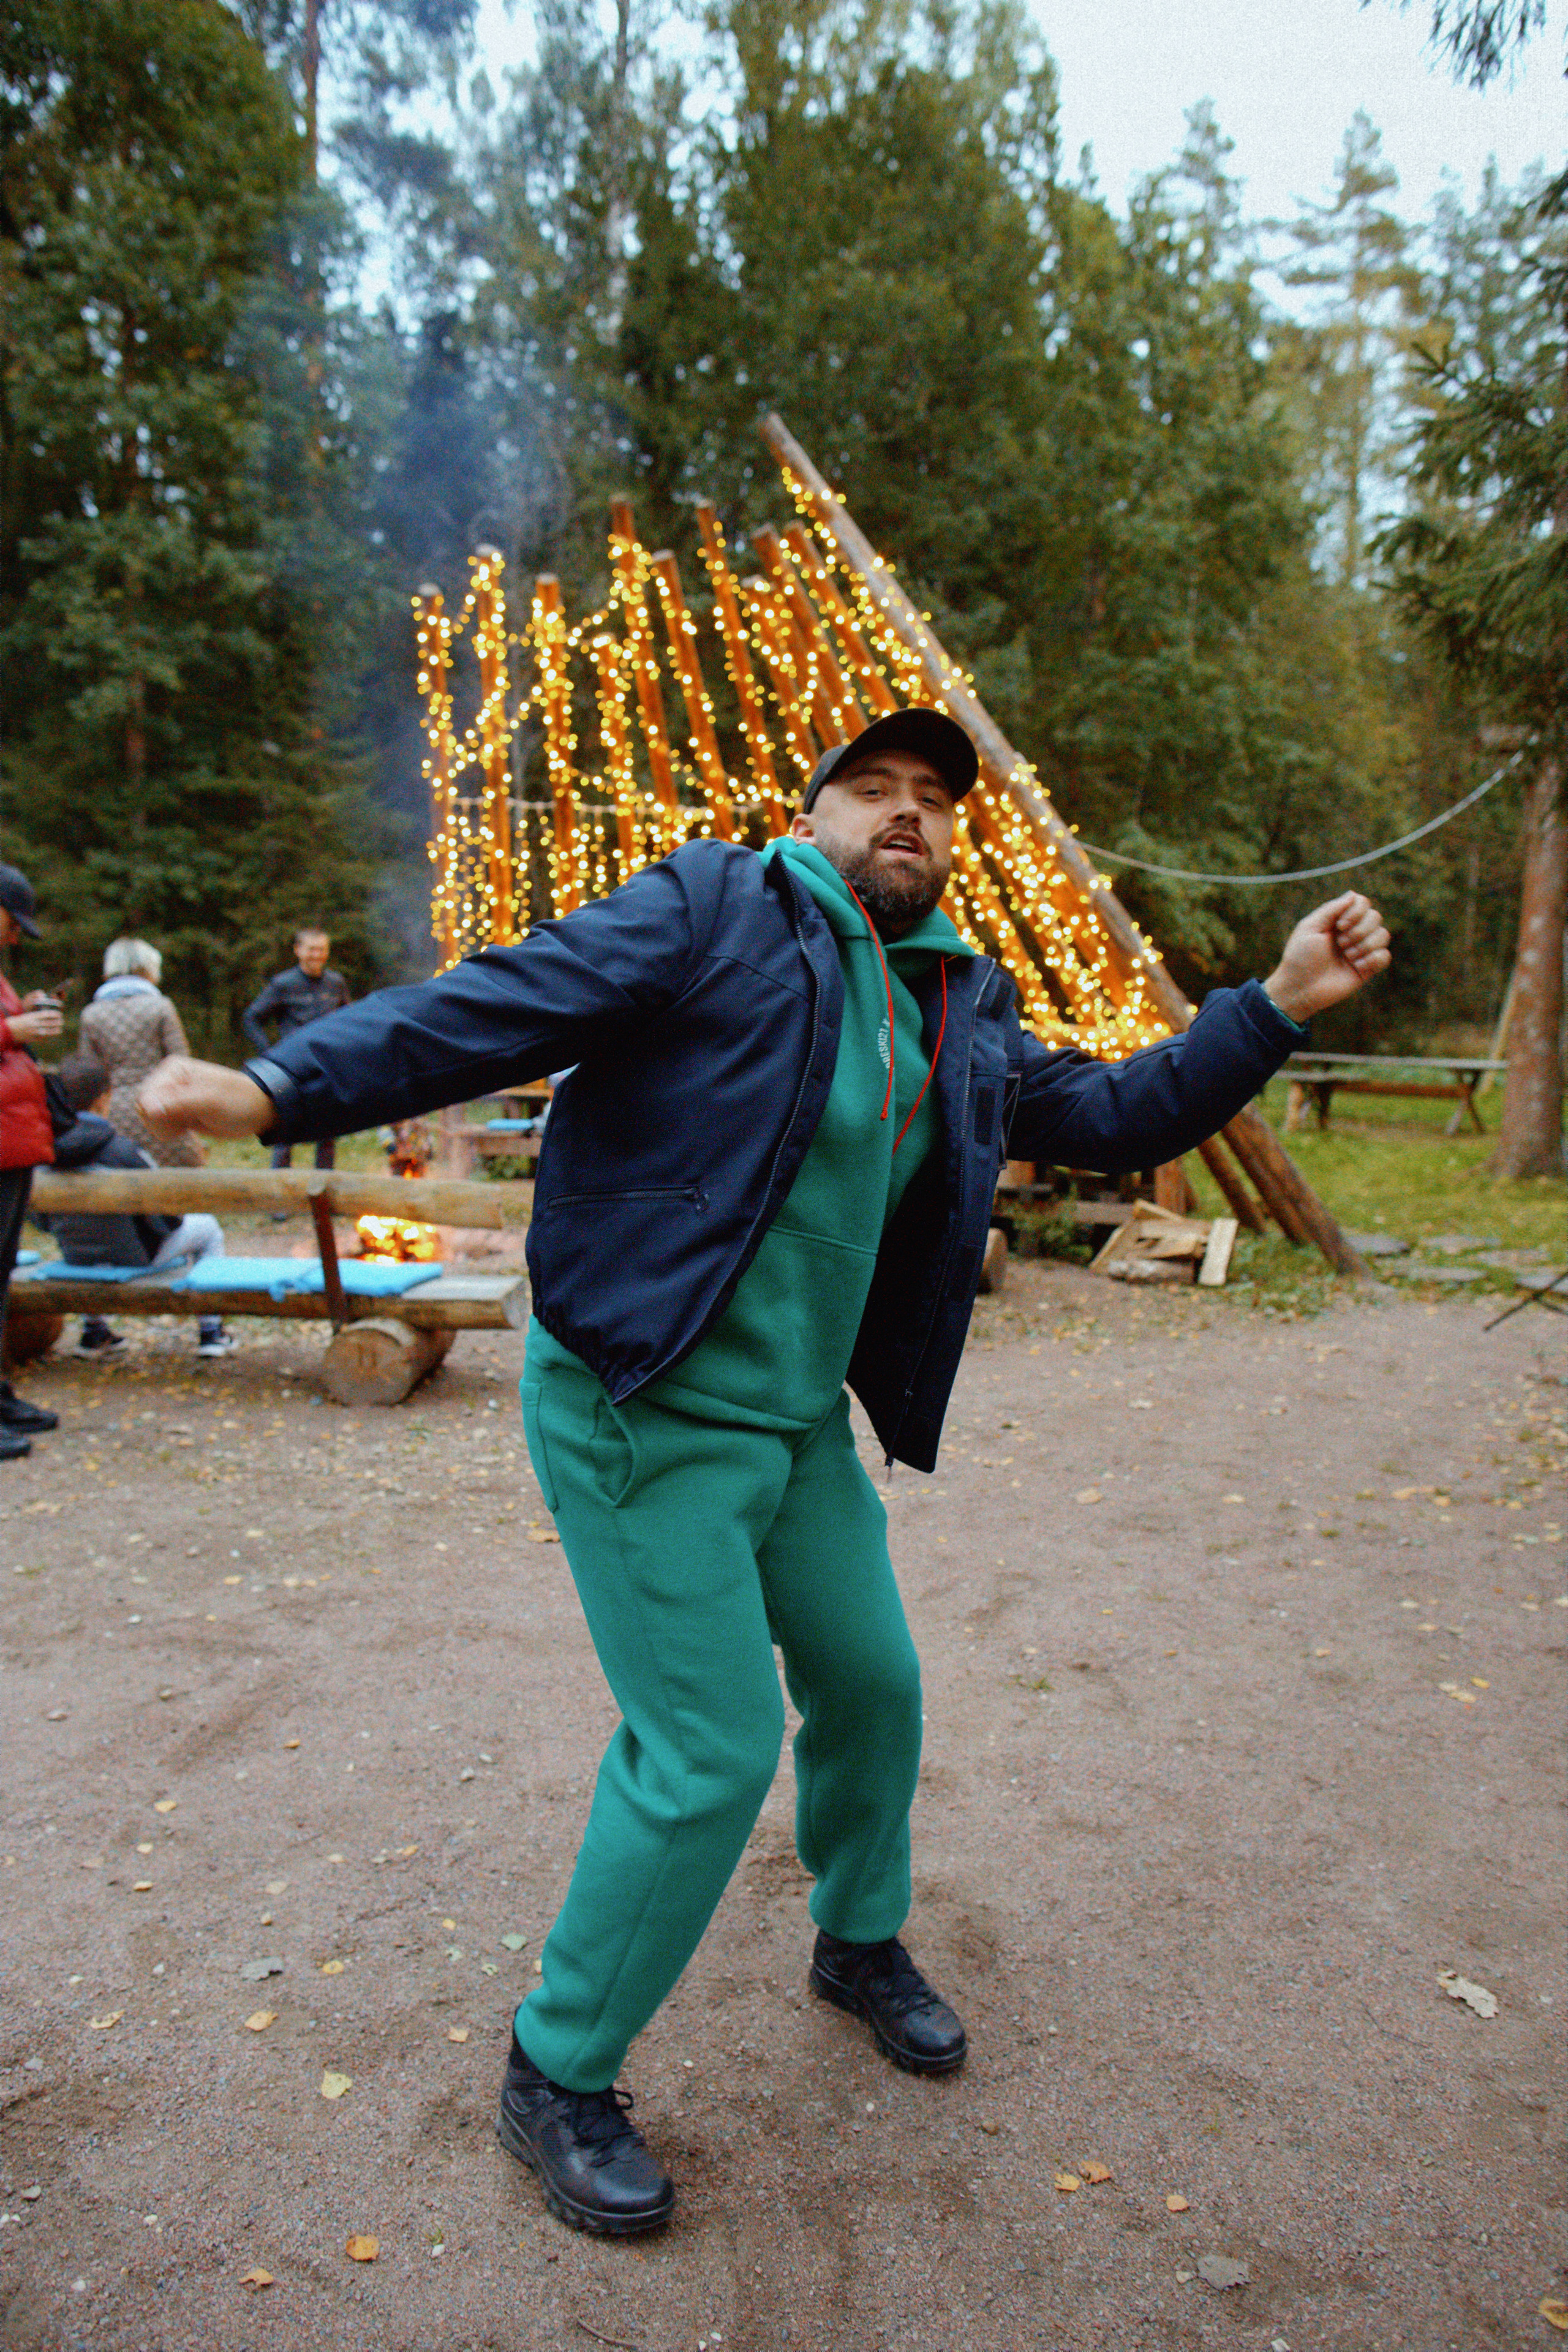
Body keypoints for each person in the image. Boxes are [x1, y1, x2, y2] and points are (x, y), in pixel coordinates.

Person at [141, 706, 1392, 2240]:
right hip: (641, 1401)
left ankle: (853, 1938)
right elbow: (501, 1003)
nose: (905, 811)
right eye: (870, 787)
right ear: (809, 819)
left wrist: (1276, 1000)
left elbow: (1116, 1110)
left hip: (793, 1425)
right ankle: (555, 2067)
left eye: (933, 797)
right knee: (709, 1749)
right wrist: (280, 1090)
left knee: (872, 1684)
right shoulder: (714, 909)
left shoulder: (957, 1003)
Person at [42, 1052, 235, 1360]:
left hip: (77, 1255)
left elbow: (40, 1220)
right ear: (104, 1099)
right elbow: (165, 1214)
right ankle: (212, 1332)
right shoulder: (122, 1152)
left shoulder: (45, 1153)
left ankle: (95, 1332)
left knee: (88, 1244)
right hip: (137, 1256)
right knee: (208, 1228)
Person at [0, 862, 62, 1460]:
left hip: (12, 1146)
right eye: (13, 921)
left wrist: (24, 1012)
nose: (17, 935)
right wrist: (14, 1029)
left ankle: (0, 1395)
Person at [78, 937, 205, 1167]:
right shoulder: (161, 1007)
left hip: (113, 1113)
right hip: (161, 1107)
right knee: (178, 1178)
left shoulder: (91, 1014)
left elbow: (87, 1073)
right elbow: (182, 1062)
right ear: (148, 969)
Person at [241, 924, 350, 1171]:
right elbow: (252, 1018)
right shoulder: (283, 984)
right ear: (298, 950)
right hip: (291, 1069)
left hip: (327, 1066)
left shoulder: (336, 982)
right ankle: (279, 1192)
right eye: (311, 950)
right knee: (285, 1132)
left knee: (328, 1134)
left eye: (322, 950)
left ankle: (324, 1189)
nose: (317, 955)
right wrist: (268, 1054)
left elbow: (348, 1017)